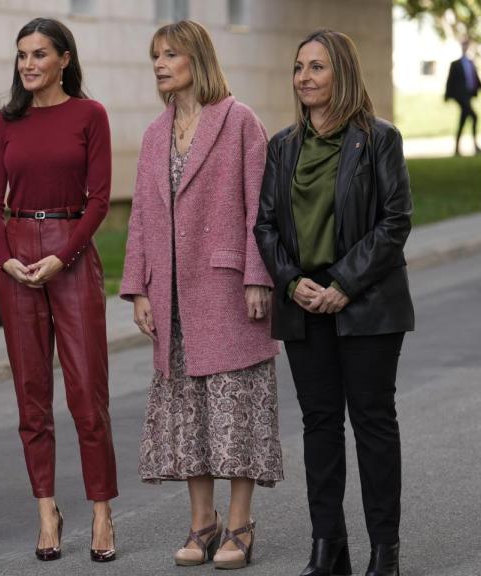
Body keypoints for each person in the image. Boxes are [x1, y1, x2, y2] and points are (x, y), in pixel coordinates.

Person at [120, 19, 282, 571]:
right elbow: (141, 216)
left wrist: (258, 275)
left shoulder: (240, 121)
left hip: (227, 287)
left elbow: (262, 207)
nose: (160, 64)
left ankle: (240, 524)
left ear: (198, 59)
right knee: (188, 410)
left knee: (235, 406)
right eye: (156, 56)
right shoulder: (154, 134)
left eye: (171, 54)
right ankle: (202, 522)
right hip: (171, 294)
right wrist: (138, 288)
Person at [255, 29, 414, 576]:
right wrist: (289, 280)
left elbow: (395, 221)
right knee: (320, 426)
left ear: (341, 72)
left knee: (372, 423)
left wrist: (344, 282)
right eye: (299, 67)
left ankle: (385, 551)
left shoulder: (379, 139)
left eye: (317, 67)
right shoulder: (283, 146)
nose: (304, 77)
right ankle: (328, 547)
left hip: (366, 301)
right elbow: (265, 224)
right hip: (304, 302)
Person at [0, 17, 117, 563]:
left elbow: (101, 200)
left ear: (64, 59)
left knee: (87, 395)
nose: (28, 64)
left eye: (39, 54)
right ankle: (47, 513)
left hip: (72, 254)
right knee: (31, 398)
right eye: (22, 55)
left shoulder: (90, 114)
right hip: (17, 260)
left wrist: (64, 255)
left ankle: (102, 512)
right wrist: (6, 260)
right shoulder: (6, 120)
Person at [444, 39, 481, 156]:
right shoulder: (455, 64)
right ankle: (475, 146)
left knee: (463, 120)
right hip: (460, 97)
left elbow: (476, 78)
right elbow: (450, 80)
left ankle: (457, 149)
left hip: (469, 95)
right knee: (474, 116)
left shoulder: (471, 62)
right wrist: (447, 95)